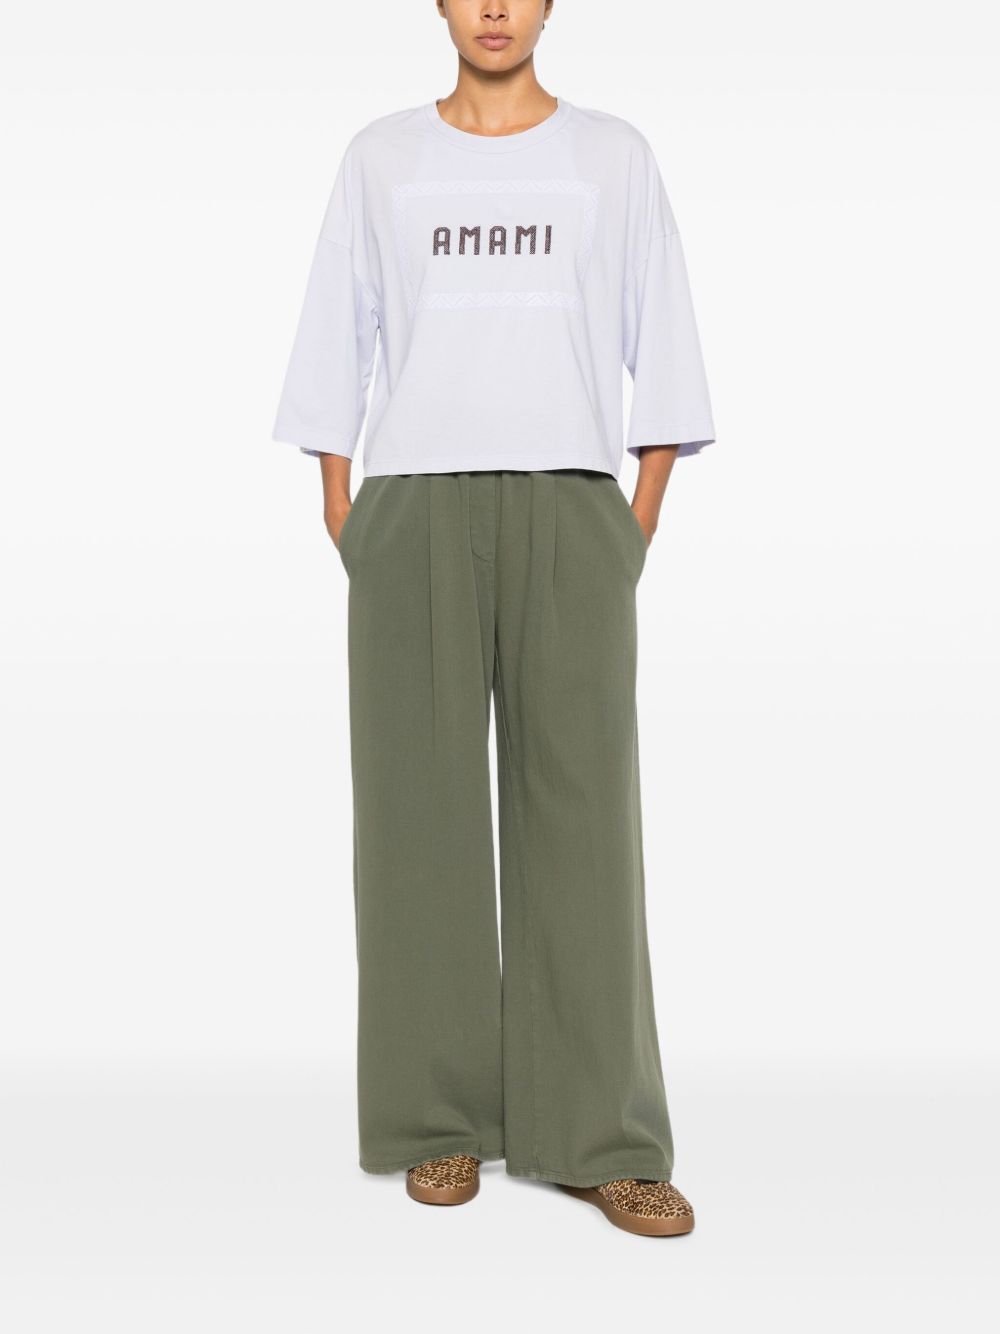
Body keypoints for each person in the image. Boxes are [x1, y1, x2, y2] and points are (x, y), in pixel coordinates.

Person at [271, 0, 715, 1238]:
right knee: (414, 819)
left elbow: (664, 339)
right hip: (411, 509)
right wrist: (343, 507)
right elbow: (336, 334)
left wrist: (634, 517)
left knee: (585, 818)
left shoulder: (612, 156)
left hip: (571, 505)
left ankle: (601, 1136)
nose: (495, 8)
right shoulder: (382, 157)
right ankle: (438, 1122)